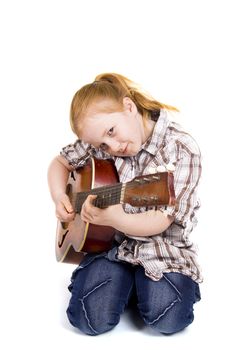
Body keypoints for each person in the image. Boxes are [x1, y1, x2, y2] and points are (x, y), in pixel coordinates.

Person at [47, 73, 202, 336]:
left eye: (111, 132)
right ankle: (125, 282)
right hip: (110, 247)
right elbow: (60, 163)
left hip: (163, 251)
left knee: (167, 318)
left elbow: (162, 219)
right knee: (87, 319)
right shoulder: (101, 144)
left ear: (129, 107)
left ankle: (135, 284)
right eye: (102, 145)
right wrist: (60, 195)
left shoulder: (180, 148)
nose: (112, 146)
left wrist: (116, 219)